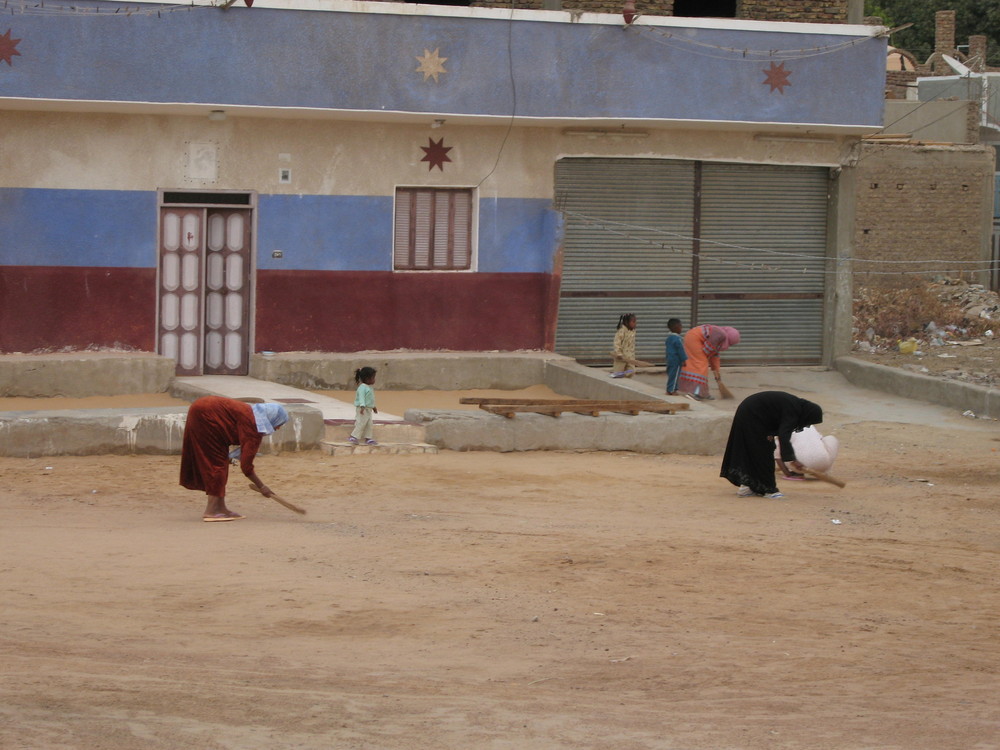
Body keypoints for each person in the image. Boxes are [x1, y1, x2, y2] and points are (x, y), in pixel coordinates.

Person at [179, 396, 289, 522]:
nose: (278, 428)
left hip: (203, 408)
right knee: (217, 465)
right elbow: (246, 467)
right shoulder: (253, 426)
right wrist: (262, 487)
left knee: (220, 463)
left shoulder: (253, 414)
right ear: (272, 419)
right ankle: (211, 511)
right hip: (205, 416)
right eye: (279, 423)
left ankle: (221, 508)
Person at [720, 390, 823, 499]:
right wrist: (792, 459)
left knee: (753, 451)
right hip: (752, 416)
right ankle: (769, 490)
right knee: (764, 452)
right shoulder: (793, 410)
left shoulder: (794, 405)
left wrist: (770, 432)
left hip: (750, 413)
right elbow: (784, 435)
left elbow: (773, 416)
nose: (807, 424)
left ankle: (747, 486)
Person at [677, 324, 740, 400]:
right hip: (694, 339)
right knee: (700, 365)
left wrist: (716, 369)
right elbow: (707, 350)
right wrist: (710, 361)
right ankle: (696, 393)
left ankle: (703, 393)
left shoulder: (720, 336)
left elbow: (714, 355)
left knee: (702, 365)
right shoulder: (720, 334)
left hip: (692, 337)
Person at [775, 425, 839, 479]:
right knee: (830, 438)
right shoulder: (809, 424)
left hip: (798, 467)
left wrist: (788, 474)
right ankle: (824, 470)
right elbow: (820, 440)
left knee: (777, 443)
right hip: (823, 465)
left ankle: (797, 473)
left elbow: (777, 456)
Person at [611, 313, 653, 377]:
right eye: (633, 322)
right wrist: (619, 353)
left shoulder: (633, 331)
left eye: (635, 322)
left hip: (630, 357)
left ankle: (624, 377)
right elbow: (617, 343)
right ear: (626, 322)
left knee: (632, 371)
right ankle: (618, 377)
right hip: (621, 357)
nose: (635, 323)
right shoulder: (621, 331)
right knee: (618, 373)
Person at [349, 366, 379, 445]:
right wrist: (362, 406)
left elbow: (370, 399)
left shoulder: (369, 387)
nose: (374, 380)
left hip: (368, 409)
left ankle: (368, 438)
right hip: (362, 409)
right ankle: (354, 436)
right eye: (373, 378)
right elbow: (362, 398)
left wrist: (373, 407)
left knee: (369, 423)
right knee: (361, 422)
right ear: (367, 379)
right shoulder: (362, 388)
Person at [664, 317, 687, 395]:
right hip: (676, 360)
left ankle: (672, 388)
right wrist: (684, 359)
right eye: (680, 326)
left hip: (670, 359)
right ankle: (671, 390)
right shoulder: (677, 339)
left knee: (671, 374)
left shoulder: (669, 338)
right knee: (675, 375)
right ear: (675, 328)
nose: (681, 328)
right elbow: (680, 350)